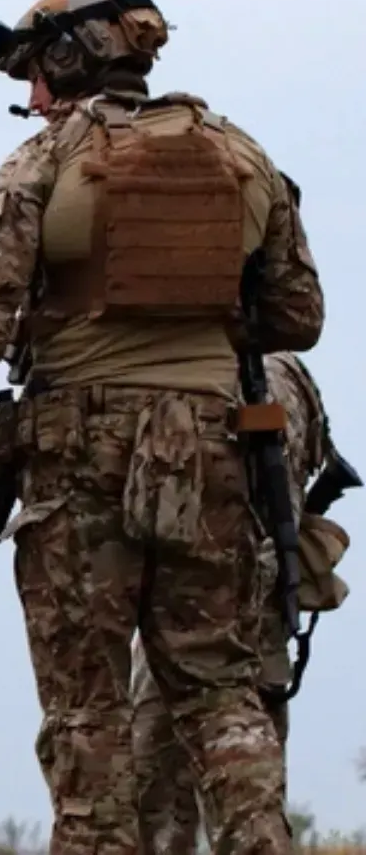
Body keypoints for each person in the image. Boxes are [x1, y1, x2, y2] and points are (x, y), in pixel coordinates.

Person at [0, 0, 324, 855]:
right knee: (222, 694)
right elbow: (298, 318)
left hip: (78, 454)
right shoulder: (243, 156)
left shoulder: (41, 164)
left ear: (65, 63)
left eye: (34, 80)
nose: (31, 103)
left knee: (86, 717)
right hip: (213, 457)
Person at [132, 351, 349, 854]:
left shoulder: (220, 377)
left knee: (162, 776)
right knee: (245, 777)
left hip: (214, 603)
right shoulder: (284, 376)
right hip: (250, 602)